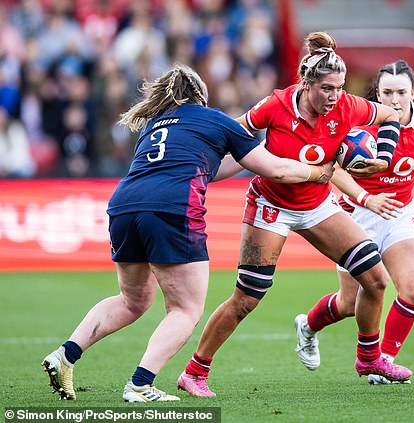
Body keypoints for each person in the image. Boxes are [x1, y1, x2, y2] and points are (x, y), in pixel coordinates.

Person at [41, 63, 332, 402]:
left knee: (132, 300)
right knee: (185, 309)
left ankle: (66, 355)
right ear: (201, 95)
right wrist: (317, 172)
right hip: (172, 207)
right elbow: (277, 170)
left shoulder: (154, 125)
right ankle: (140, 385)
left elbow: (209, 170)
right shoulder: (216, 119)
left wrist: (250, 152)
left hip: (124, 204)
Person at [177, 31, 412, 398]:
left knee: (376, 279)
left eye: (339, 87)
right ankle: (194, 372)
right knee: (247, 299)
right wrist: (198, 175)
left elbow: (391, 116)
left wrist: (383, 155)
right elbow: (232, 135)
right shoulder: (276, 105)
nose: (334, 96)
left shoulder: (348, 106)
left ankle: (368, 357)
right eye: (326, 88)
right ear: (306, 84)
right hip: (271, 207)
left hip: (317, 204)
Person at [294, 60, 414, 384]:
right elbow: (332, 168)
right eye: (387, 92)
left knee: (413, 289)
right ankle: (308, 327)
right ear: (376, 93)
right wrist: (366, 198)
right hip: (356, 215)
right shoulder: (358, 126)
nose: (394, 100)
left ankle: (383, 361)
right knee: (350, 304)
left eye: (401, 92)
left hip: (398, 214)